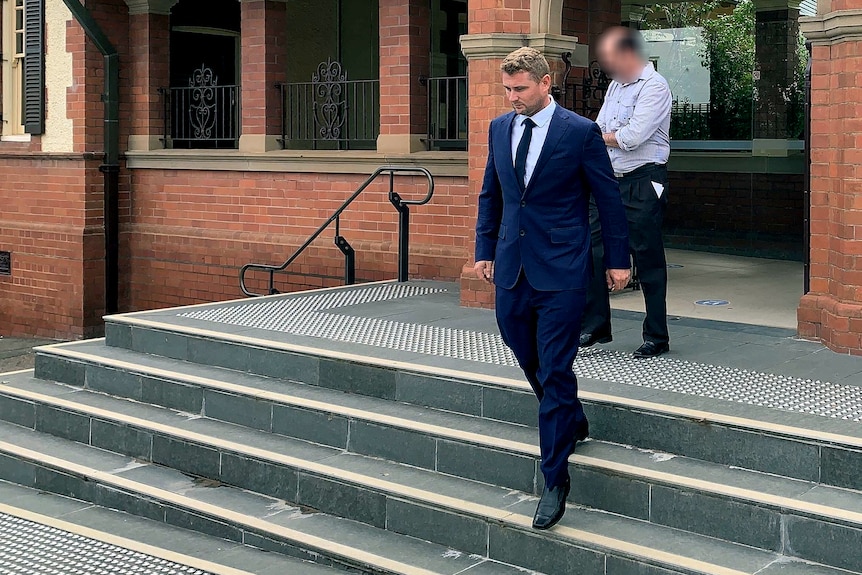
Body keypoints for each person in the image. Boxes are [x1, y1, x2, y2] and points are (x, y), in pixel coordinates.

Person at [474, 47, 631, 530]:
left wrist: (619, 261)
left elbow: (607, 199)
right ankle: (573, 418)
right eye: (507, 89)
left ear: (546, 83)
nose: (512, 97)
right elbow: (492, 193)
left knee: (556, 367)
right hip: (511, 266)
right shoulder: (500, 128)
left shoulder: (580, 133)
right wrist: (484, 249)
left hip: (563, 268)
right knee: (524, 350)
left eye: (520, 88)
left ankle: (554, 478)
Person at [580, 26, 673, 359]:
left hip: (645, 179)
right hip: (609, 178)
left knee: (646, 255)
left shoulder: (655, 87)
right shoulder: (615, 87)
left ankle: (656, 335)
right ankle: (596, 324)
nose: (606, 65)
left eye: (611, 57)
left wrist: (600, 135)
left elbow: (632, 136)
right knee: (590, 248)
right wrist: (604, 135)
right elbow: (605, 128)